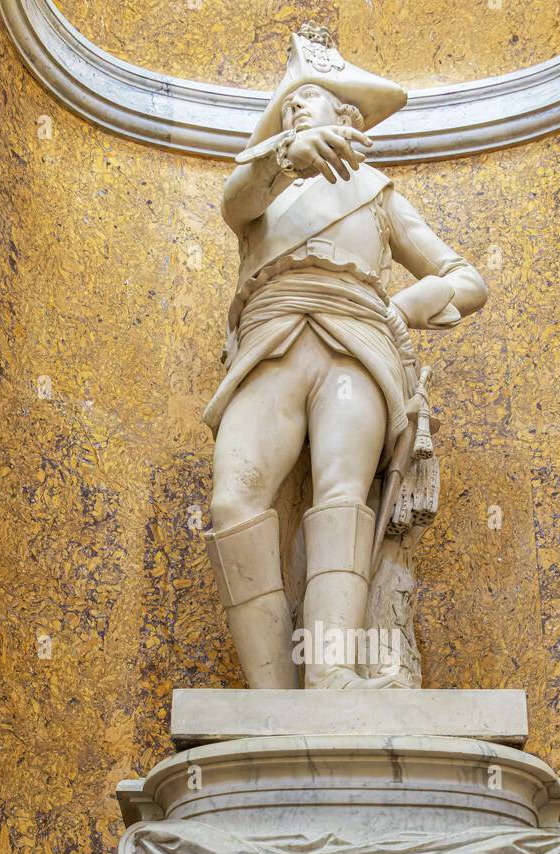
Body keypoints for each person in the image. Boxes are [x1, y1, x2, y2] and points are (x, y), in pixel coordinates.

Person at [203, 23, 488, 689]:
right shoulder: (266, 182)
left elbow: (467, 278)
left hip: (355, 341)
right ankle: (271, 694)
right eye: (291, 101)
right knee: (232, 501)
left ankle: (330, 673)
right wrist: (286, 153)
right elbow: (234, 201)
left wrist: (406, 307)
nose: (296, 106)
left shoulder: (379, 194)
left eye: (312, 99)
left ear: (350, 114)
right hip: (272, 335)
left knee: (340, 492)